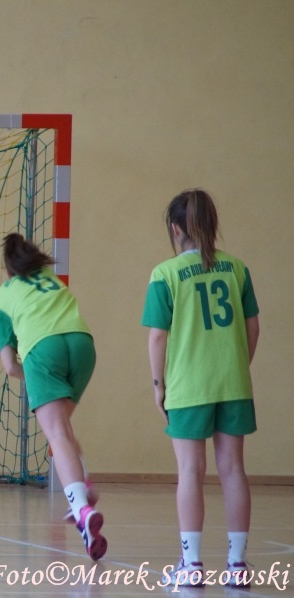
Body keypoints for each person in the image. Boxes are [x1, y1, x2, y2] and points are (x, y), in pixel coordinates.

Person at [142, 188, 259, 588]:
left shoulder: (165, 273)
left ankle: (191, 566)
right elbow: (253, 327)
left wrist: (158, 385)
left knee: (191, 471)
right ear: (212, 224)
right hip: (233, 383)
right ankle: (238, 565)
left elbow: (157, 336)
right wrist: (236, 367)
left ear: (175, 229)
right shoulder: (238, 268)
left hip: (188, 385)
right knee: (234, 470)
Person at [0, 233, 106, 561]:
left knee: (56, 432)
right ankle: (83, 485)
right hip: (83, 345)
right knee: (63, 427)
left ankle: (81, 510)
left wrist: (37, 375)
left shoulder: (3, 297)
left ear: (8, 269)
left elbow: (10, 366)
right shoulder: (49, 277)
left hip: (45, 349)